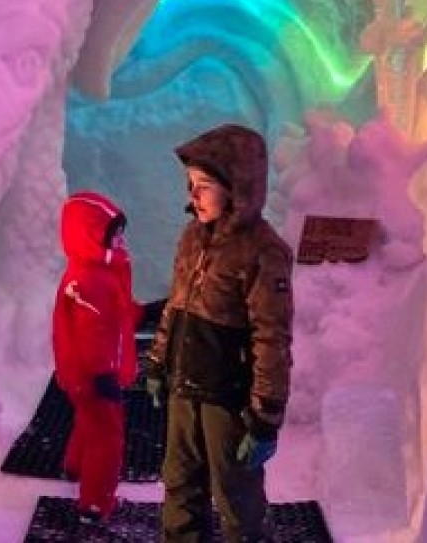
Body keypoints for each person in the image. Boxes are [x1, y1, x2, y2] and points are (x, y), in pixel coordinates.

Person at [146, 124, 295, 542]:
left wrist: (265, 415)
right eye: (190, 183)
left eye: (205, 185)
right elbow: (176, 305)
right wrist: (158, 361)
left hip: (228, 400)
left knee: (236, 498)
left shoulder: (263, 251)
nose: (193, 195)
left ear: (237, 188)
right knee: (180, 485)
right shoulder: (193, 237)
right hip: (184, 389)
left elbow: (272, 338)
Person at [52, 190, 141, 524]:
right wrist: (104, 375)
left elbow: (117, 313)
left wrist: (145, 312)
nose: (121, 241)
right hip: (95, 373)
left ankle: (74, 467)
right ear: (91, 235)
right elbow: (94, 334)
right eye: (114, 235)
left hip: (83, 375)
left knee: (88, 419)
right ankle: (95, 502)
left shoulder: (92, 273)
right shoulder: (91, 281)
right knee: (107, 436)